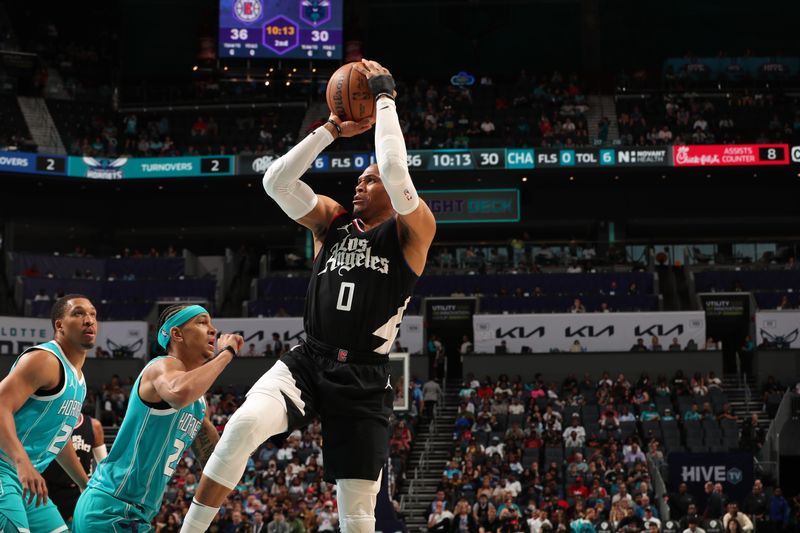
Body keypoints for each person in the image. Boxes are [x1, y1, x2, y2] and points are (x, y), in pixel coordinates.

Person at [181, 58, 436, 533]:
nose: (359, 182)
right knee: (239, 430)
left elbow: (398, 173)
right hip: (308, 361)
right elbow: (275, 182)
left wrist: (384, 100)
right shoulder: (331, 221)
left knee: (357, 515)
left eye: (369, 178)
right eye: (359, 178)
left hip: (364, 377)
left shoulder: (412, 231)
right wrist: (331, 131)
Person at [73, 304, 242, 531]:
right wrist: (226, 354)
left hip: (134, 512)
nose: (212, 330)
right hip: (112, 505)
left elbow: (213, 458)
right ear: (176, 334)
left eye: (211, 323)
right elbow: (178, 393)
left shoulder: (198, 402)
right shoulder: (161, 367)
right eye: (202, 322)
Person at [0, 295, 95, 532]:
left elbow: (58, 438)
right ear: (59, 325)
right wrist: (23, 463)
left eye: (93, 314)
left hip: (27, 481)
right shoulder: (44, 360)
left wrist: (85, 484)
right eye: (78, 313)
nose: (89, 320)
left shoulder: (79, 381)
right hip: (5, 469)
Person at [41, 412, 106, 526]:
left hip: (81, 490)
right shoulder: (48, 423)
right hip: (50, 490)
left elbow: (104, 466)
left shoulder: (93, 426)